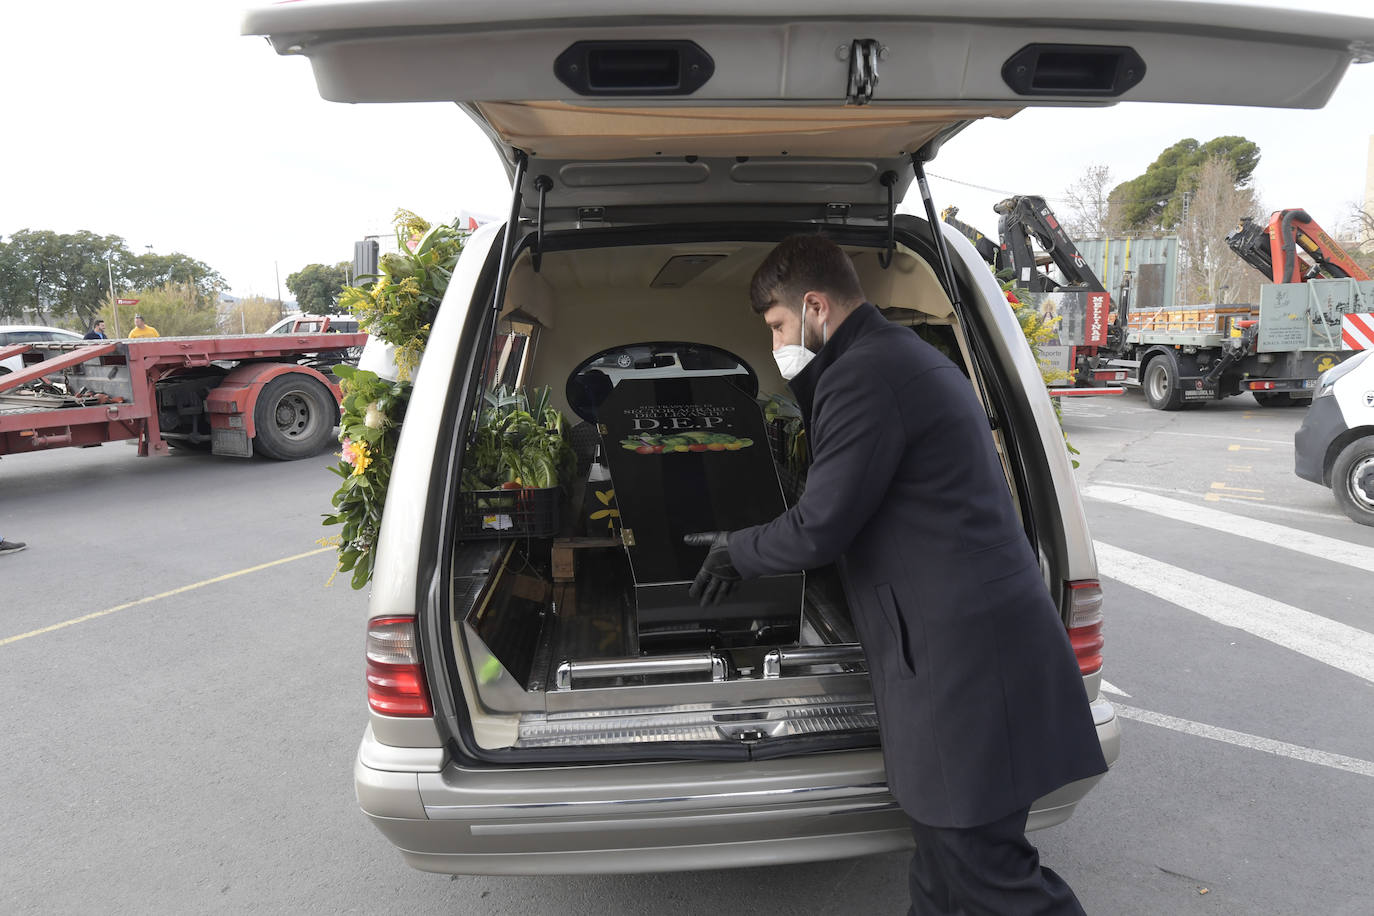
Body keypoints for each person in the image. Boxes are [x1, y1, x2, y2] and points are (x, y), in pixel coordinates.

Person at [685, 234, 1107, 915]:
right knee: (943, 875)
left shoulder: (865, 375)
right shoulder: (895, 359)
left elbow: (822, 524)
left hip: (966, 665)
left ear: (816, 306)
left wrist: (736, 549)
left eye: (778, 326)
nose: (777, 345)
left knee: (986, 875)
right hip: (962, 652)